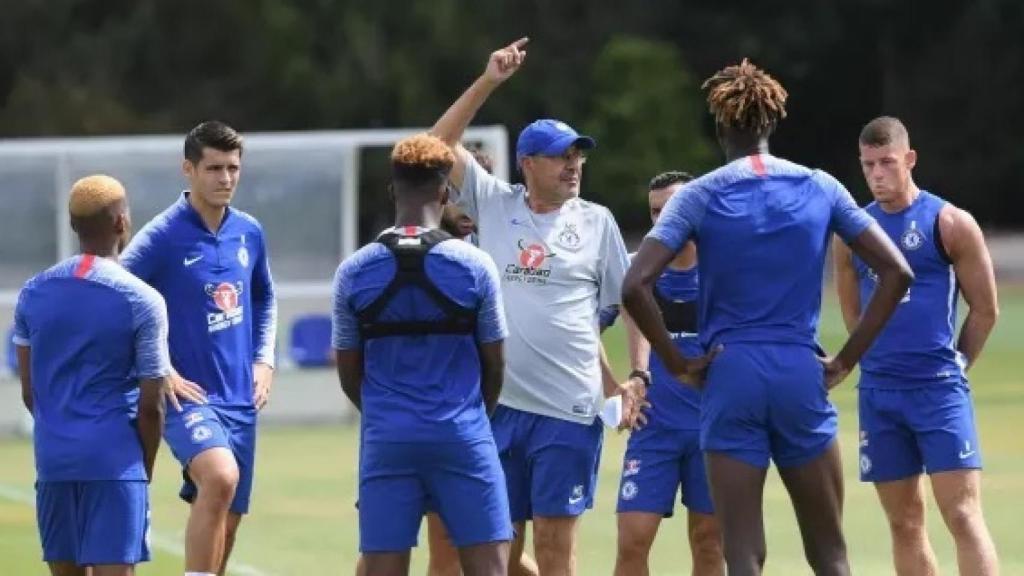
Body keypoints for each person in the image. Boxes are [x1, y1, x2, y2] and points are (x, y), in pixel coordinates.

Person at [622, 59, 914, 576]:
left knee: (742, 555)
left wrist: (678, 363)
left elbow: (634, 285)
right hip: (800, 371)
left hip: (729, 374)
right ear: (772, 124)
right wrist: (846, 359)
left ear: (719, 129)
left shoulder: (698, 194)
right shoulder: (820, 186)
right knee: (830, 553)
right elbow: (897, 272)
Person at [430, 38, 640, 575]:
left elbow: (632, 300)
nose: (574, 166)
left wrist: (634, 375)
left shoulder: (597, 221)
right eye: (561, 156)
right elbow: (435, 144)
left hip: (569, 408)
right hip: (499, 406)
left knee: (554, 549)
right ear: (527, 163)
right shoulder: (494, 203)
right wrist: (489, 80)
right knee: (496, 548)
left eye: (578, 156)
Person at [334, 133, 511, 576]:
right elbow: (495, 364)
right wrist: (470, 416)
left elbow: (349, 372)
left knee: (381, 567)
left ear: (393, 190)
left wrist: (384, 411)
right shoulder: (474, 266)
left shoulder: (354, 271)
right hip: (463, 434)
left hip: (387, 437)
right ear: (444, 191)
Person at [833, 116, 1000, 576]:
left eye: (886, 162)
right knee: (905, 523)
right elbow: (853, 317)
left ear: (909, 159)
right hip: (880, 396)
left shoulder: (948, 223)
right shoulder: (852, 234)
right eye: (868, 165)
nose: (877, 174)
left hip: (939, 392)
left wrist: (958, 363)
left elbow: (985, 310)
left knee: (963, 516)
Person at [121, 121, 277, 576]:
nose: (225, 178)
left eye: (233, 168)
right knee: (220, 476)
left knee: (227, 523)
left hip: (240, 398)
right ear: (188, 170)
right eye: (214, 168)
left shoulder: (249, 232)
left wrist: (263, 360)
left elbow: (265, 296)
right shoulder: (161, 236)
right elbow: (118, 296)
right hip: (188, 396)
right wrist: (159, 367)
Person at [13, 174, 170, 576]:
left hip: (53, 462)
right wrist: (142, 469)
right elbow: (152, 404)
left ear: (73, 225)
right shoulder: (142, 299)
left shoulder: (33, 292)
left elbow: (31, 392)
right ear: (122, 222)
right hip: (113, 461)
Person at [613, 171, 723, 576]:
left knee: (709, 544)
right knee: (632, 542)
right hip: (653, 427)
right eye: (655, 212)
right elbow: (576, 327)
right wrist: (617, 388)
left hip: (713, 429)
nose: (662, 221)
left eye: (672, 209)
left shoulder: (724, 273)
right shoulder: (634, 273)